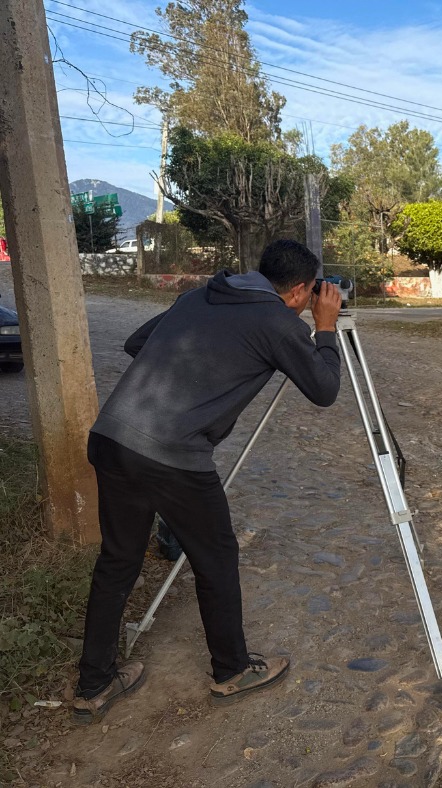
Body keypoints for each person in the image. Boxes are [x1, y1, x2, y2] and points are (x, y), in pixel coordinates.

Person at [72, 239, 343, 724]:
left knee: (117, 561)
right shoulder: (276, 322)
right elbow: (324, 389)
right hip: (173, 457)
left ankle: (93, 684)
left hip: (112, 437)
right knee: (216, 559)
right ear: (301, 290)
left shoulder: (199, 295)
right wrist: (324, 329)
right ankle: (233, 671)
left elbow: (137, 343)